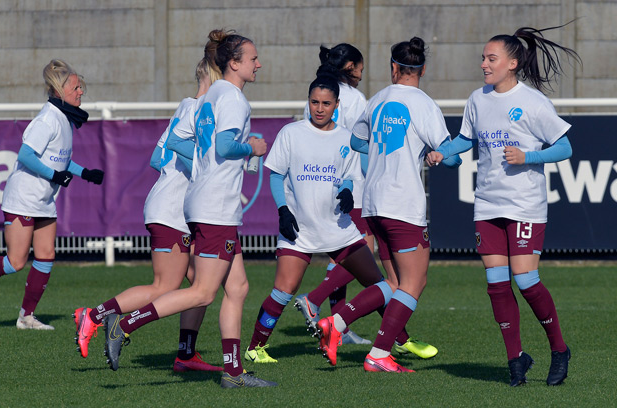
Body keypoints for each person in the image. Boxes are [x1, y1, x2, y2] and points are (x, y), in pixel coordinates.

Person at [100, 29, 276, 389]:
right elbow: (227, 147)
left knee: (238, 287)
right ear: (234, 63)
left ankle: (233, 371)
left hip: (207, 202)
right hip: (215, 207)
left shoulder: (211, 97)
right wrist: (253, 148)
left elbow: (191, 144)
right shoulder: (234, 100)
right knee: (203, 292)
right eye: (253, 58)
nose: (259, 63)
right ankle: (124, 324)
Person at [427, 23, 580, 386]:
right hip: (487, 204)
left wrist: (528, 155)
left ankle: (559, 349)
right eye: (483, 58)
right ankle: (516, 360)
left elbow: (565, 147)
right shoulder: (478, 98)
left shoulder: (532, 102)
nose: (484, 64)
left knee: (526, 280)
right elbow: (465, 139)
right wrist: (441, 151)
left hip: (524, 204)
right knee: (496, 283)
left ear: (512, 63)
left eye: (491, 58)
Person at [317, 37, 459, 372]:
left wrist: (388, 153)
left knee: (393, 283)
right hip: (403, 203)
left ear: (393, 68)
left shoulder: (378, 99)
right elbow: (449, 155)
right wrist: (435, 154)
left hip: (374, 203)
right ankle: (379, 354)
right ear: (421, 69)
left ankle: (335, 323)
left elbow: (356, 141)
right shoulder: (423, 104)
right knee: (415, 282)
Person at [73, 55, 221, 372]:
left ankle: (186, 355)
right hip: (173, 210)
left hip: (177, 207)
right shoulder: (198, 110)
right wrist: (203, 168)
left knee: (200, 286)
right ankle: (95, 316)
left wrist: (180, 174)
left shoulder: (187, 107)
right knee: (164, 287)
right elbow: (181, 152)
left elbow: (157, 157)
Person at [244, 71, 390, 365]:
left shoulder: (346, 137)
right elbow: (276, 176)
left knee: (380, 285)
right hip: (299, 228)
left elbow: (347, 175)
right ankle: (255, 348)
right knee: (284, 292)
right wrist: (283, 210)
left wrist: (347, 191)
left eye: (326, 103)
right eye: (314, 102)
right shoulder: (291, 133)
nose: (319, 108)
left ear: (337, 104)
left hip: (338, 226)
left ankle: (396, 341)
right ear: (308, 102)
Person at [0, 59, 104, 330]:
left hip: (44, 200)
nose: (81, 92)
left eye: (81, 88)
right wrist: (55, 176)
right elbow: (26, 155)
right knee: (15, 262)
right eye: (77, 87)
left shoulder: (65, 119)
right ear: (59, 91)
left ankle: (26, 317)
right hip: (23, 198)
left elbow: (59, 160)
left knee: (46, 255)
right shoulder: (47, 119)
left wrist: (84, 173)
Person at [293, 43, 372, 345]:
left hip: (317, 185)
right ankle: (315, 300)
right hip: (349, 187)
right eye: (360, 69)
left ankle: (339, 327)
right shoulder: (352, 98)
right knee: (359, 251)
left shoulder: (316, 95)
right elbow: (361, 144)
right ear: (350, 66)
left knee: (342, 252)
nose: (361, 75)